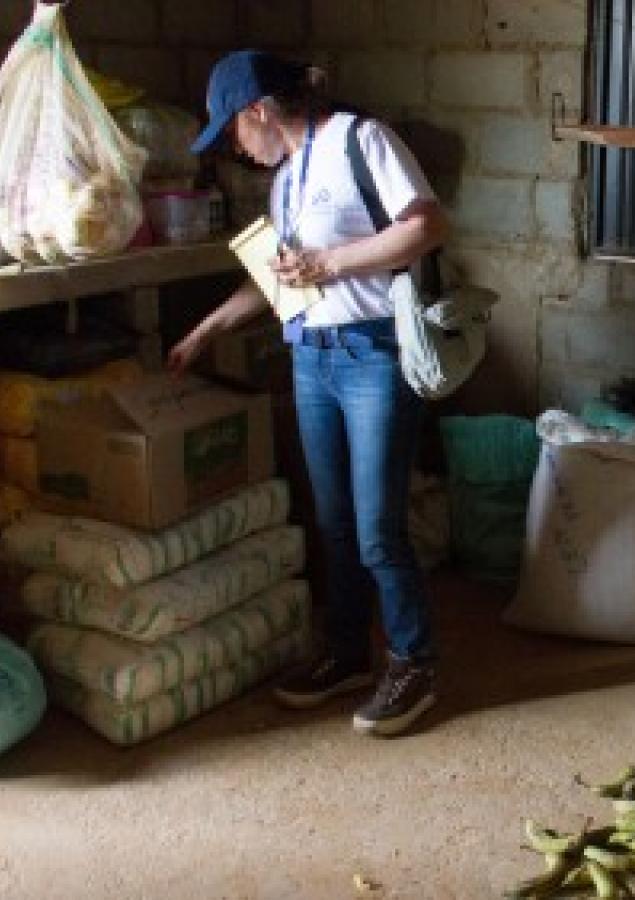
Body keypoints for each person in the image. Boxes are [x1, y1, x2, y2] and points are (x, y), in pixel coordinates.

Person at [170, 50, 448, 737]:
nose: (235, 149)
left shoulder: (362, 141)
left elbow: (425, 226)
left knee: (379, 527)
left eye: (232, 133)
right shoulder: (286, 180)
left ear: (256, 112)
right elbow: (277, 279)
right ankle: (348, 654)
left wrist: (330, 261)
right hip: (311, 360)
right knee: (336, 525)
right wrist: (205, 331)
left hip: (372, 355)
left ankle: (415, 662)